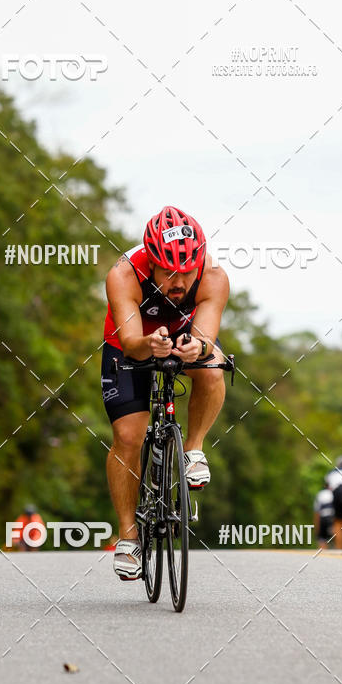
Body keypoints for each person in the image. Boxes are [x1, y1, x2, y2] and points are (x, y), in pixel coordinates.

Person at [102, 206, 229, 580]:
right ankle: (128, 536)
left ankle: (193, 448)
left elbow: (206, 337)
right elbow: (130, 343)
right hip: (133, 339)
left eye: (187, 271)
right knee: (127, 436)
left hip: (183, 331)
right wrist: (147, 344)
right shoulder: (124, 274)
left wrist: (199, 349)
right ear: (150, 261)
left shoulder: (214, 277)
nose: (179, 280)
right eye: (169, 271)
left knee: (213, 365)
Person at [314, 482, 334, 548]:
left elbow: (317, 513)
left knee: (322, 539)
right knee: (338, 535)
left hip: (323, 517)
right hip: (333, 517)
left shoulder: (320, 494)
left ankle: (322, 555)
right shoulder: (334, 493)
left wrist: (317, 529)